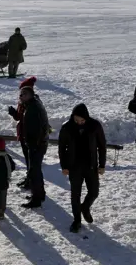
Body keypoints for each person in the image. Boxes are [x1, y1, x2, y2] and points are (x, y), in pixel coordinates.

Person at [58, 104, 107, 233]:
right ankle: (77, 220)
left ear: (86, 117)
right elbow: (62, 148)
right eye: (77, 120)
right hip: (74, 167)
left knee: (94, 192)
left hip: (91, 165)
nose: (79, 122)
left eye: (82, 120)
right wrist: (64, 166)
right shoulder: (67, 128)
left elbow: (102, 146)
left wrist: (102, 164)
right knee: (75, 194)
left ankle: (85, 207)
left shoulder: (95, 126)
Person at [20, 85, 50, 208]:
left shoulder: (33, 108)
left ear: (29, 95)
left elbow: (38, 129)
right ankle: (40, 194)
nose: (20, 97)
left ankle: (36, 199)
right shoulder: (34, 104)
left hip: (36, 145)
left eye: (23, 94)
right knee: (36, 170)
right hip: (39, 144)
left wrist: (34, 145)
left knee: (34, 172)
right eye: (20, 95)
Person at [8, 76, 37, 189]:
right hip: (23, 133)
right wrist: (13, 113)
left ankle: (31, 180)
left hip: (29, 135)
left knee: (31, 159)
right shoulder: (22, 103)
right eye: (21, 92)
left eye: (23, 92)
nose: (21, 95)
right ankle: (28, 178)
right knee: (27, 158)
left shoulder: (34, 104)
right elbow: (19, 117)